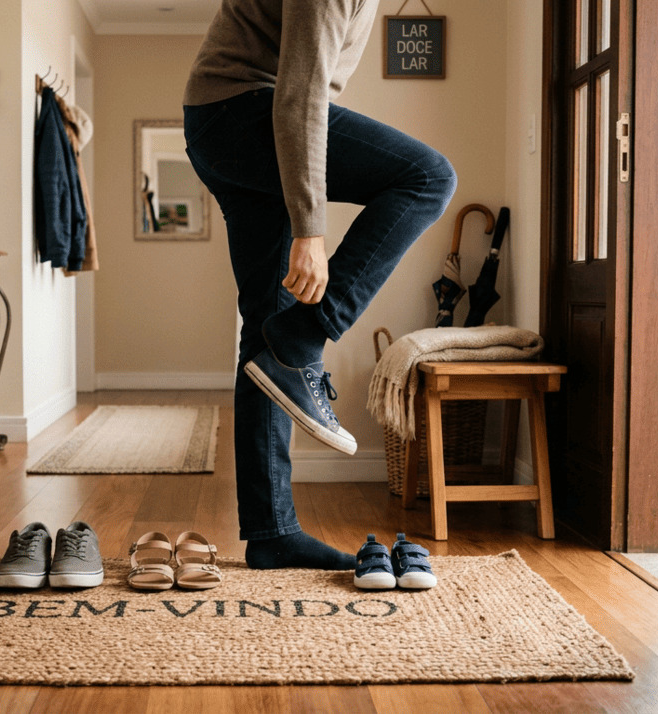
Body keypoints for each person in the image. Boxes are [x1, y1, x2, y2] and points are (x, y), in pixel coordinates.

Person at [183, 0, 457, 570]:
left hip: (226, 118)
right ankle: (306, 334)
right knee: (427, 177)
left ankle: (272, 533)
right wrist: (309, 229)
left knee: (266, 327)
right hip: (245, 110)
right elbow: (301, 94)